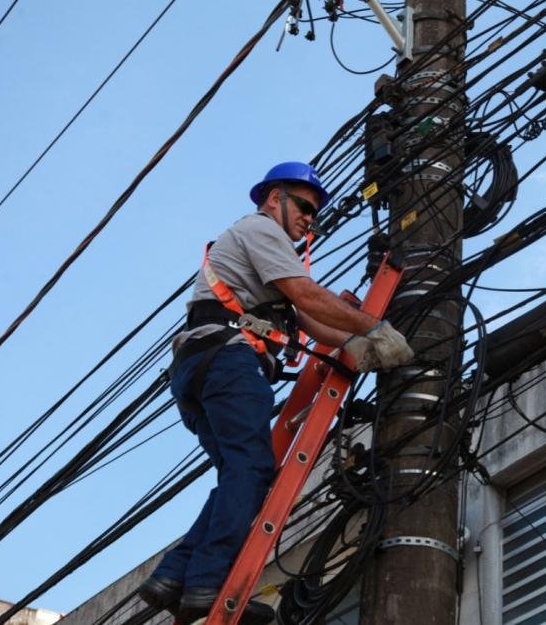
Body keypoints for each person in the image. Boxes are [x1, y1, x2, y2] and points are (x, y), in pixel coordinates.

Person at [137, 162, 413, 623]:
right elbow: (306, 297)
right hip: (227, 359)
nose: (310, 219)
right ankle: (207, 585)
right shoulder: (261, 231)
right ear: (273, 199)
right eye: (304, 206)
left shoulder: (260, 252)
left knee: (238, 472)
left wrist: (351, 342)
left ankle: (173, 575)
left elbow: (303, 319)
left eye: (315, 213)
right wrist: (376, 327)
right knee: (253, 467)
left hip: (200, 366)